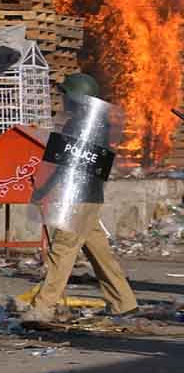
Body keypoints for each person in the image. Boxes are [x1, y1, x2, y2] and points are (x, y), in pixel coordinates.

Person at [22, 73, 137, 325]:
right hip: (92, 198)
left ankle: (43, 307)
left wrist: (42, 191)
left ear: (78, 98)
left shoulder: (78, 126)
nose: (62, 99)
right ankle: (123, 301)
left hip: (77, 198)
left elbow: (63, 166)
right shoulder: (102, 124)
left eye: (65, 94)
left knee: (61, 251)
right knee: (99, 251)